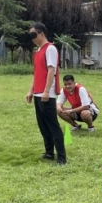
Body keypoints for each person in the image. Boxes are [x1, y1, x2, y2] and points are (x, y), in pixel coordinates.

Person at [25, 22, 66, 166]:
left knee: (53, 125)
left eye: (33, 35)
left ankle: (61, 157)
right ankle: (49, 152)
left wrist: (47, 91)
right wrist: (31, 90)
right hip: (38, 93)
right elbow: (36, 73)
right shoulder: (38, 51)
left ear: (41, 34)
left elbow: (51, 70)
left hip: (46, 94)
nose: (32, 38)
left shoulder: (50, 49)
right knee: (42, 125)